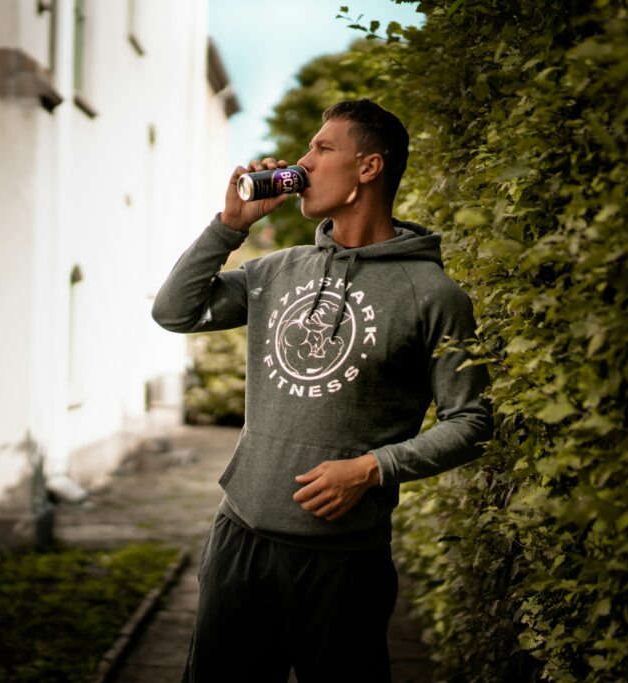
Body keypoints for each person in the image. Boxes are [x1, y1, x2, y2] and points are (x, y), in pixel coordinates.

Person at [152, 98, 492, 683]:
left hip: (344, 561)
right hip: (240, 538)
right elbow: (175, 311)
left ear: (369, 168)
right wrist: (229, 226)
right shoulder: (276, 270)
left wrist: (372, 469)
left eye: (322, 149)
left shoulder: (433, 295)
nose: (303, 163)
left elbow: (472, 421)